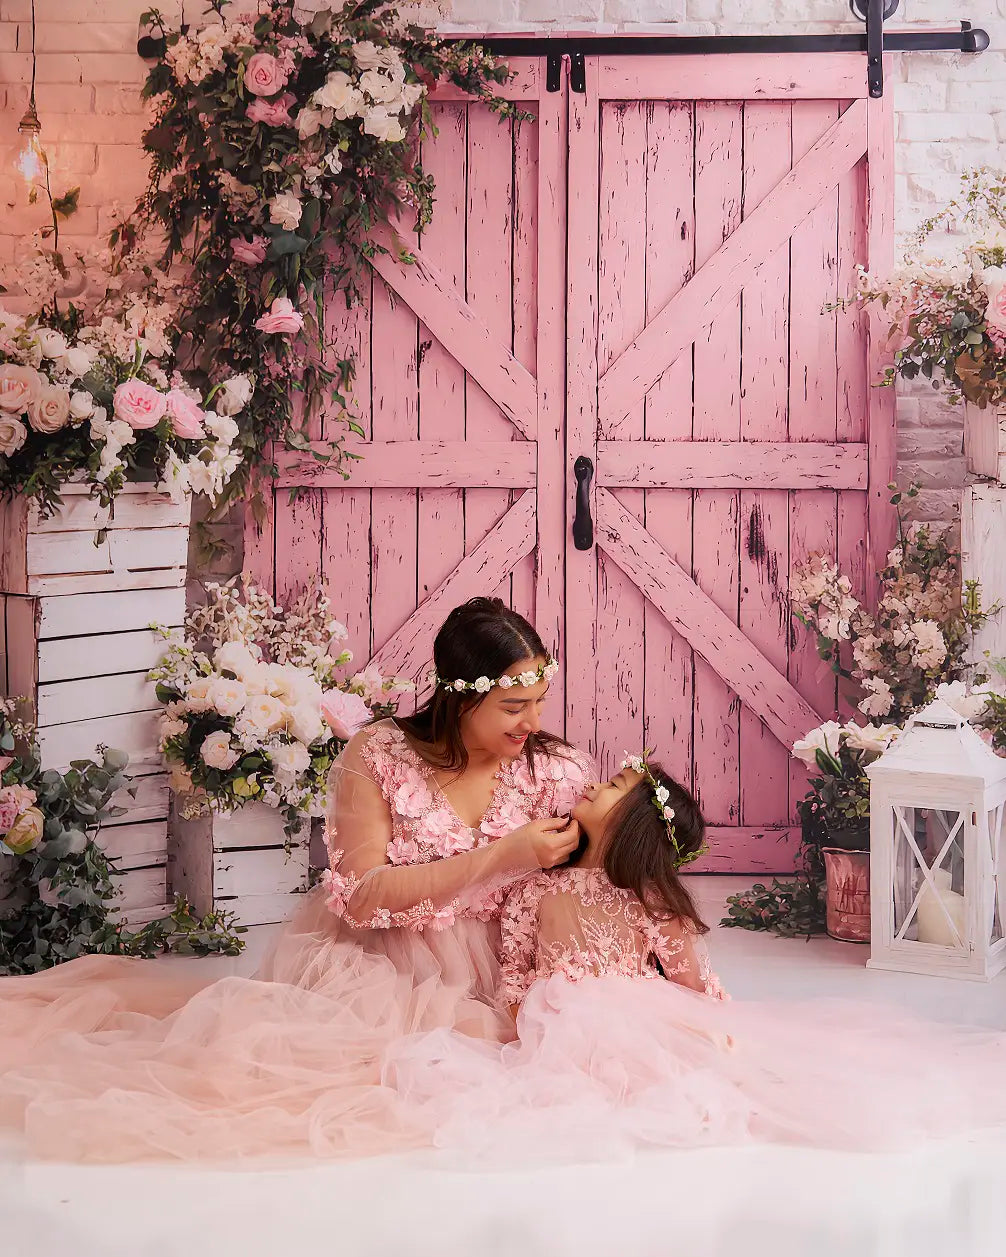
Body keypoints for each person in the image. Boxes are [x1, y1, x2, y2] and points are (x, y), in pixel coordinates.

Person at [0, 598, 592, 1162]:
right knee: (274, 1083)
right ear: (460, 700)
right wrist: (503, 855)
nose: (533, 722)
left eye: (539, 700)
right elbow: (363, 895)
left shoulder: (555, 768)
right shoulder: (380, 753)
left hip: (507, 964)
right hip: (385, 964)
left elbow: (594, 887)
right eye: (514, 708)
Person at [384, 756, 1006, 1163]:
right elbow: (518, 959)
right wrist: (517, 1013)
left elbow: (689, 973)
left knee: (669, 1077)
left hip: (627, 1011)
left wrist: (720, 1022)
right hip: (554, 1016)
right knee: (546, 1087)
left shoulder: (644, 893)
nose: (595, 784)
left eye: (614, 788)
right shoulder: (538, 882)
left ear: (632, 823)